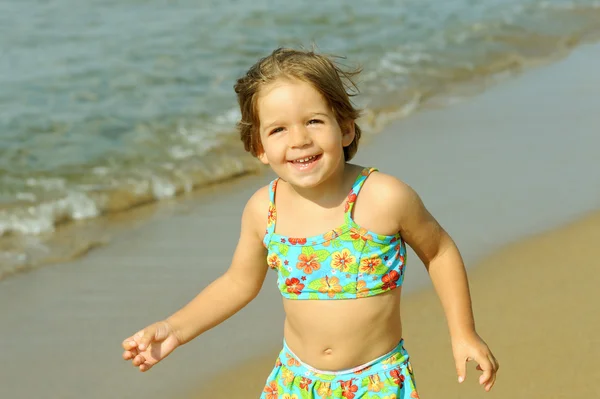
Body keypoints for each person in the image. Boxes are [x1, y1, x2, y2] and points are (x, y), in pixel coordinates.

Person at [122, 47, 499, 398]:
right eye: (278, 129)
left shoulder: (382, 198)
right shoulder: (263, 210)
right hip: (295, 380)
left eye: (314, 121)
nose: (300, 139)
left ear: (346, 128)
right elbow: (237, 283)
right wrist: (175, 328)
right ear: (258, 146)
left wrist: (463, 332)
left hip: (376, 380)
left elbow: (439, 252)